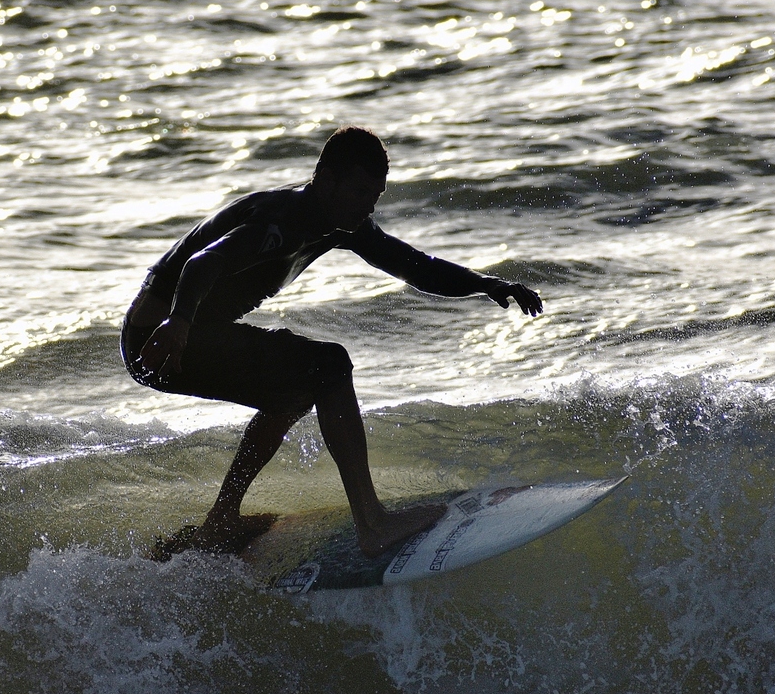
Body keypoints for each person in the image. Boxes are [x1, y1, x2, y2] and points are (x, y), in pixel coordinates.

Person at [122, 126, 543, 558]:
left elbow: (416, 266)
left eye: (375, 195)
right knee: (328, 364)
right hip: (161, 338)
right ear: (325, 179)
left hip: (181, 332)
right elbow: (202, 262)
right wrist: (179, 321)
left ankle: (220, 523)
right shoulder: (279, 218)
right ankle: (372, 522)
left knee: (295, 387)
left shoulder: (343, 225)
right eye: (360, 192)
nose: (368, 206)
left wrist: (487, 284)